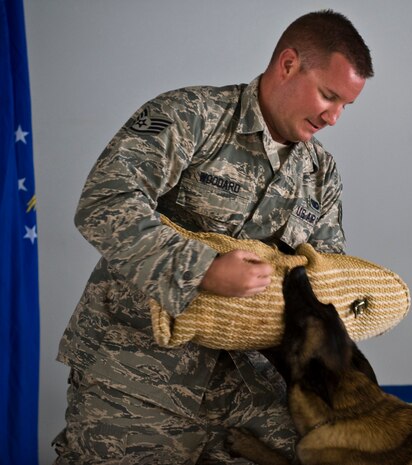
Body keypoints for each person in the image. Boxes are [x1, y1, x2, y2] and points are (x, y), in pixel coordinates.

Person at [52, 9, 373, 465]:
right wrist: (199, 269)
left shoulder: (321, 175)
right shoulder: (191, 117)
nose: (335, 117)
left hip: (252, 398)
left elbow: (322, 279)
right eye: (328, 95)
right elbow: (105, 202)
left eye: (346, 105)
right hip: (137, 382)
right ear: (287, 64)